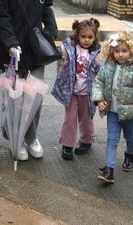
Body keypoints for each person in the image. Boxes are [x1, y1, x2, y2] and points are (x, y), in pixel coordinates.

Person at [0, 0, 57, 161]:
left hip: (35, 48)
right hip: (13, 49)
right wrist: (11, 43)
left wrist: (50, 33)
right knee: (16, 96)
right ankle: (18, 136)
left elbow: (47, 10)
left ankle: (30, 136)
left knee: (36, 95)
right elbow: (3, 16)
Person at [92, 32, 133, 184]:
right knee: (112, 139)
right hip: (112, 112)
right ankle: (109, 169)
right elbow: (98, 82)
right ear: (111, 52)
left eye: (124, 51)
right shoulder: (107, 66)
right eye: (116, 51)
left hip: (130, 112)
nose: (120, 54)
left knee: (129, 136)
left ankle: (130, 154)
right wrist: (98, 99)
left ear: (131, 51)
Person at [51, 18, 102, 160]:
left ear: (95, 37)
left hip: (87, 92)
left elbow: (100, 71)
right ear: (77, 36)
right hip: (71, 91)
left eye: (90, 37)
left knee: (87, 118)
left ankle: (86, 141)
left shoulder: (96, 52)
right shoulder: (70, 48)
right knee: (70, 118)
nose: (86, 40)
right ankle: (67, 145)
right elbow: (61, 60)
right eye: (83, 36)